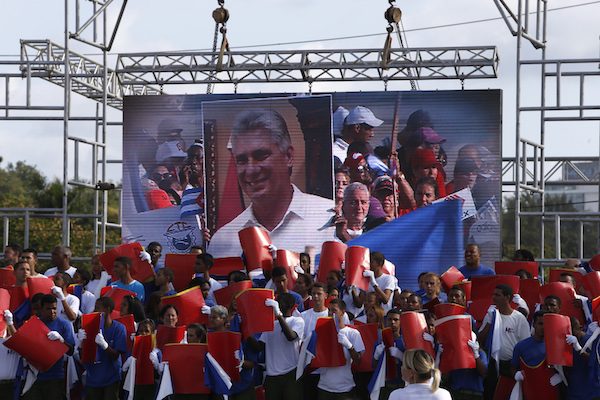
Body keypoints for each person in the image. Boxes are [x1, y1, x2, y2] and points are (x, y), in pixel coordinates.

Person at [208, 108, 335, 257]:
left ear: (288, 156)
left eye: (261, 156)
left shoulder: (329, 221)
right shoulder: (222, 242)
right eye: (242, 160)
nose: (250, 170)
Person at [478, 284, 530, 399]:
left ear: (507, 297)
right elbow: (480, 339)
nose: (494, 297)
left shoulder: (519, 318)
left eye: (497, 295)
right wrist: (490, 322)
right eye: (493, 294)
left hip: (511, 366)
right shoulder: (491, 315)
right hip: (494, 364)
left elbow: (526, 345)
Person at [24, 294, 75, 400]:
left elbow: (71, 351)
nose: (52, 311)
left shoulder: (64, 324)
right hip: (34, 376)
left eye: (54, 308)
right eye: (48, 309)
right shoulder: (33, 324)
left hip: (55, 376)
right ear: (41, 309)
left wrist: (61, 340)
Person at [255, 293, 305, 400]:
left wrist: (278, 315)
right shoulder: (271, 324)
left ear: (291, 306)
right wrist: (247, 329)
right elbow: (259, 347)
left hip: (291, 373)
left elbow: (291, 336)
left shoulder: (297, 321)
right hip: (272, 375)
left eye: (282, 302)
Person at [78, 297, 127, 400]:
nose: (95, 311)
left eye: (97, 308)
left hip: (111, 378)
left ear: (108, 309)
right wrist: (80, 343)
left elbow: (116, 356)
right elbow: (83, 357)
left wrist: (104, 345)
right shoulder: (89, 327)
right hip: (93, 377)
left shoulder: (119, 329)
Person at [317, 298, 365, 400]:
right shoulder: (320, 332)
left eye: (334, 310)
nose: (331, 313)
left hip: (344, 389)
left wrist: (349, 346)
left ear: (342, 312)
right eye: (329, 311)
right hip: (324, 387)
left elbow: (358, 361)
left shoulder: (353, 333)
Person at [511, 311, 564, 399]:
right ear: (533, 325)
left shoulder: (556, 345)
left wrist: (561, 376)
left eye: (546, 324)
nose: (543, 327)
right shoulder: (521, 346)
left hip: (550, 391)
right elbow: (513, 367)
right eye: (540, 324)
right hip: (529, 391)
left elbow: (565, 368)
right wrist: (516, 374)